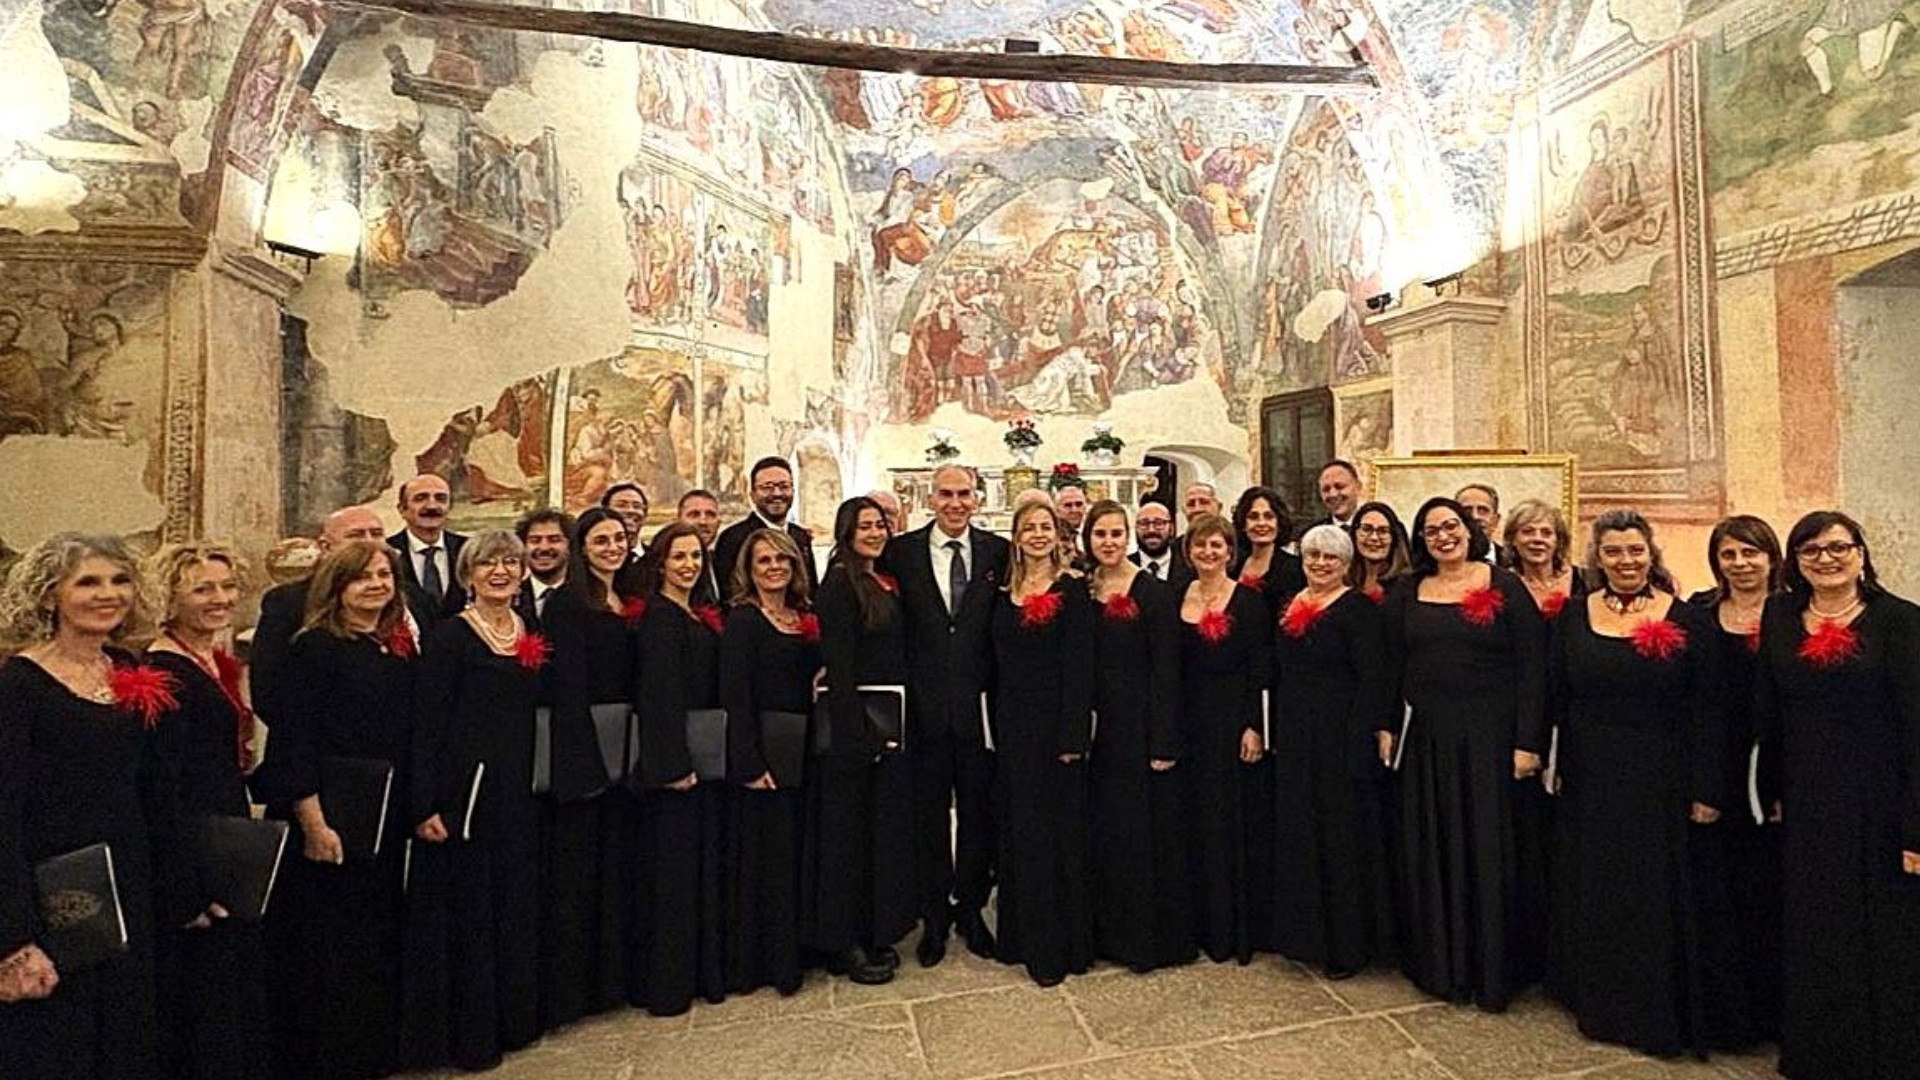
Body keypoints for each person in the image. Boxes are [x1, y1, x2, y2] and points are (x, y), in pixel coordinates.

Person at [1755, 510, 1920, 1080]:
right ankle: (1819, 1053)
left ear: (1860, 553)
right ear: (1796, 562)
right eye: (1810, 551)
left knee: (1882, 930)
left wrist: (1915, 826)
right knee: (1814, 927)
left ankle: (1885, 1057)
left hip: (1879, 798)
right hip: (1806, 798)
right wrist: (1769, 790)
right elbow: (1769, 712)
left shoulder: (1899, 622)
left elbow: (1917, 727)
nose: (1825, 559)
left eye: (1836, 548)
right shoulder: (1781, 615)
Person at [1549, 510, 1719, 1055]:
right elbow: (1557, 695)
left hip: (1661, 778)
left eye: (1635, 551)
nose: (1626, 561)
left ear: (1652, 554)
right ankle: (1602, 1005)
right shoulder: (1575, 616)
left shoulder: (1686, 618)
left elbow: (1707, 709)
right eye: (1614, 552)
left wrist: (1705, 789)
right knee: (1599, 888)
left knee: (1654, 893)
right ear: (1597, 558)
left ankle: (1653, 1010)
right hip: (1592, 775)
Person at [0, 534, 162, 1078]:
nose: (108, 594)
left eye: (119, 581)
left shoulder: (126, 668)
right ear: (50, 596)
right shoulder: (19, 684)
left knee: (125, 1037)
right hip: (51, 888)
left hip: (127, 883)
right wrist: (14, 938)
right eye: (88, 582)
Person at [255, 541, 416, 1080]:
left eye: (383, 575)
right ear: (337, 588)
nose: (376, 584)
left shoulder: (386, 647)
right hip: (333, 811)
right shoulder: (315, 647)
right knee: (330, 943)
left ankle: (369, 1052)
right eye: (362, 578)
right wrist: (313, 822)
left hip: (379, 810)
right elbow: (295, 741)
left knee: (371, 937)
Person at [1384, 497, 1547, 1011]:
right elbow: (1390, 667)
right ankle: (1441, 963)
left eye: (1450, 526)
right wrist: (1386, 726)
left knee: (1488, 847)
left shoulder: (1505, 585)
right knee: (1433, 845)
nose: (1442, 536)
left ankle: (1491, 966)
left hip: (1491, 739)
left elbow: (1533, 667)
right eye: (1431, 530)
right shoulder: (1408, 590)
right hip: (1430, 738)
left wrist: (1528, 742)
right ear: (1421, 540)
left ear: (1469, 530)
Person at [403, 531, 543, 1070]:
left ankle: (511, 1020)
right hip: (467, 792)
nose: (501, 571)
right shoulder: (451, 638)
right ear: (468, 575)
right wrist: (426, 804)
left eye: (511, 562)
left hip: (514, 789)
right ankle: (469, 1035)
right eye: (489, 563)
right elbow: (429, 723)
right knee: (470, 912)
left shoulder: (524, 628)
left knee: (509, 904)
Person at [141, 543, 272, 1080]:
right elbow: (161, 788)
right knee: (201, 990)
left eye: (226, 587)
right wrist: (185, 883)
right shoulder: (165, 672)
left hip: (224, 827)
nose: (220, 599)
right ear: (170, 599)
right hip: (195, 844)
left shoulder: (209, 661)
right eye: (202, 589)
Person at [881, 464, 1009, 966]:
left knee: (978, 812)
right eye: (946, 494)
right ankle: (934, 916)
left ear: (976, 499)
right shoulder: (903, 552)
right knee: (928, 815)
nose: (955, 503)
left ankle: (972, 909)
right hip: (925, 709)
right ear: (930, 498)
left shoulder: (998, 553)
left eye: (964, 494)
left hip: (979, 710)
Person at [1271, 525, 1396, 979]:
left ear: (1346, 564)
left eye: (1331, 558)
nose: (1321, 564)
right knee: (1302, 833)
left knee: (1341, 838)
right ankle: (1306, 937)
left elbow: (1373, 679)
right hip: (1297, 737)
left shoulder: (1358, 610)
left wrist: (1363, 737)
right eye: (1313, 556)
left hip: (1341, 736)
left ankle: (1346, 944)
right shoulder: (1291, 604)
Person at [1685, 515, 1786, 1049]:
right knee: (1720, 895)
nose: (1741, 564)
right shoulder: (1701, 613)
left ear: (1771, 558)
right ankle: (1730, 1017)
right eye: (1730, 555)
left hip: (1777, 773)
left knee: (1769, 894)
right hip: (1716, 770)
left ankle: (1775, 1013)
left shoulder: (1795, 612)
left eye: (1751, 553)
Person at [807, 498, 918, 984]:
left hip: (887, 727)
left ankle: (871, 929)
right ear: (846, 533)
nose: (874, 532)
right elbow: (842, 666)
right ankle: (842, 943)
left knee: (876, 836)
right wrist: (860, 734)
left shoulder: (882, 577)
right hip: (856, 734)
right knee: (845, 840)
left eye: (880, 524)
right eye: (864, 526)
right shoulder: (839, 584)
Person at [986, 501, 1095, 987]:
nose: (1036, 534)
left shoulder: (1071, 590)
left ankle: (1057, 946)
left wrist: (1073, 734)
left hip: (1056, 728)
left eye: (1044, 527)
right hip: (1011, 726)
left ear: (1058, 535)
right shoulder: (1002, 590)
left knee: (1056, 834)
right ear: (1015, 535)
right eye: (1028, 527)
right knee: (1018, 830)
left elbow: (1080, 668)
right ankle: (1019, 937)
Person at [1083, 501, 1194, 972]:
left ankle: (1146, 940)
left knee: (1143, 834)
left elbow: (1168, 670)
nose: (1108, 542)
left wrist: (1163, 740)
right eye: (1099, 534)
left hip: (1142, 726)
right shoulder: (1083, 589)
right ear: (1087, 540)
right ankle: (1109, 932)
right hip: (1100, 729)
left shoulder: (1153, 592)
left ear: (1127, 536)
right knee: (1107, 832)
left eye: (1115, 533)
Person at [538, 508, 638, 1026]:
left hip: (625, 744)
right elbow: (567, 686)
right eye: (601, 540)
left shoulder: (627, 596)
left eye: (619, 539)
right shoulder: (567, 603)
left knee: (617, 869)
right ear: (582, 547)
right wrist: (583, 762)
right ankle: (575, 992)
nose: (612, 547)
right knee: (579, 874)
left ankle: (613, 979)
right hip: (585, 749)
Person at [629, 522, 728, 1016]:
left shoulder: (692, 612)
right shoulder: (660, 617)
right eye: (679, 557)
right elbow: (658, 696)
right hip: (675, 766)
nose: (688, 565)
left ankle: (699, 973)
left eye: (695, 557)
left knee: (694, 872)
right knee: (671, 877)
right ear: (661, 564)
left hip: (700, 757)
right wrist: (672, 765)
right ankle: (668, 984)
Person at [720, 529, 817, 997]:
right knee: (765, 860)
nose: (774, 567)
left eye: (782, 559)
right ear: (749, 569)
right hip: (763, 754)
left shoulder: (803, 617)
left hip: (802, 753)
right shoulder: (743, 619)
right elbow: (735, 696)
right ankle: (763, 962)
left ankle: (796, 950)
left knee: (796, 854)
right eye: (764, 561)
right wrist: (748, 762)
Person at [1176, 513, 1273, 964]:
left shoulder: (1249, 602)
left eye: (1217, 546)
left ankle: (1234, 929)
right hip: (1190, 724)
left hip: (1232, 724)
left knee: (1231, 823)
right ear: (1189, 551)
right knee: (1195, 824)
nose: (1208, 553)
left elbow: (1261, 667)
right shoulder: (1181, 595)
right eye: (1201, 546)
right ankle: (1201, 924)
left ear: (1230, 552)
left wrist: (1254, 725)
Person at [252, 505, 387, 726]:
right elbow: (269, 691)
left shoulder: (412, 598)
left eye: (377, 533)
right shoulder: (288, 603)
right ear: (326, 547)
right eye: (356, 535)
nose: (369, 542)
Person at [713, 457, 819, 593]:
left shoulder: (800, 536)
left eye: (784, 486)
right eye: (767, 487)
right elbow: (730, 594)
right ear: (752, 495)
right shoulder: (733, 538)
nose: (777, 493)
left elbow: (811, 590)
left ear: (793, 491)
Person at [388, 474, 469, 627]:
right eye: (421, 498)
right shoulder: (387, 552)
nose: (432, 506)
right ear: (402, 509)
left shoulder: (469, 549)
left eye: (441, 499)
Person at [1502, 500, 1585, 620]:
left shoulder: (1585, 581)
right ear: (1513, 539)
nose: (1538, 539)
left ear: (1558, 541)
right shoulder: (1501, 586)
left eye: (1546, 533)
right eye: (1528, 532)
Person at [1229, 485, 1305, 603]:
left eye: (1269, 516)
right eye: (1253, 517)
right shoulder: (1232, 565)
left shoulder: (1295, 568)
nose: (1261, 523)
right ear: (1243, 524)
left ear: (1279, 523)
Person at [513, 508, 573, 627]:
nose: (544, 548)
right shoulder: (511, 597)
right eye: (535, 540)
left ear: (570, 545)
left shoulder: (588, 596)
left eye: (554, 540)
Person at [1345, 501, 1411, 602]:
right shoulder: (1344, 581)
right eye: (1366, 529)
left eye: (1383, 531)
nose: (1374, 538)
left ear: (1394, 538)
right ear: (1354, 534)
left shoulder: (1408, 585)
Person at [677, 489, 724, 601]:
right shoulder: (663, 565)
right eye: (694, 514)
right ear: (678, 520)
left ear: (719, 522)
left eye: (710, 515)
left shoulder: (725, 560)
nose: (703, 522)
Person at [1130, 501, 1189, 587]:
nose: (1151, 530)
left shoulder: (1189, 569)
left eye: (1159, 523)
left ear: (1171, 529)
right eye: (1144, 523)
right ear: (1136, 528)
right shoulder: (1123, 569)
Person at [600, 481, 650, 561]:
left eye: (637, 506)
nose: (630, 511)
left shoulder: (657, 560)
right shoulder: (594, 558)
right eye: (621, 505)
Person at [1455, 484, 1504, 564]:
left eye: (1483, 510)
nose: (1475, 516)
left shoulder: (1514, 562)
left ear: (1495, 521)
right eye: (1467, 511)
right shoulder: (1440, 562)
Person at [1314, 460, 1363, 531]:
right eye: (1326, 489)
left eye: (1340, 487)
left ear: (1358, 486)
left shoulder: (1376, 531)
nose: (1333, 494)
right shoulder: (1313, 534)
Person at [1053, 481, 1090, 565]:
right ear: (1056, 509)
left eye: (1079, 504)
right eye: (1068, 505)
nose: (1074, 510)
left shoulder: (1094, 533)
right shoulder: (1050, 538)